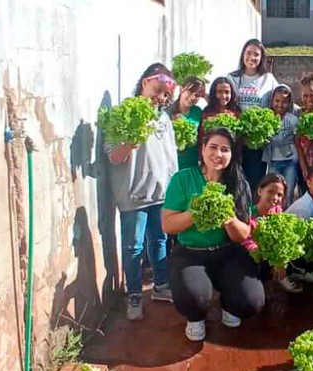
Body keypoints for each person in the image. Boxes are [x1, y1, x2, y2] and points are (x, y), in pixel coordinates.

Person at [162, 127, 265, 342]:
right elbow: (168, 225)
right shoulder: (183, 178)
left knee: (252, 301)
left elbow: (243, 234)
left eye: (225, 150)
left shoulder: (238, 183)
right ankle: (195, 317)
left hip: (227, 251)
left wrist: (229, 219)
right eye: (213, 147)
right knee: (195, 298)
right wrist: (196, 212)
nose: (218, 154)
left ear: (232, 155)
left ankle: (229, 304)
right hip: (190, 252)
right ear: (202, 149)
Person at [106, 63, 178, 320]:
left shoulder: (163, 118)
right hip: (133, 195)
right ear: (145, 82)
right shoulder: (123, 114)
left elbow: (171, 158)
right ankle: (134, 293)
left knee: (159, 241)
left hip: (161, 194)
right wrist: (129, 145)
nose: (161, 97)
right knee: (133, 247)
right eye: (158, 90)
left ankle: (160, 285)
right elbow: (113, 157)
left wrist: (174, 188)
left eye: (166, 94)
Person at [227, 38, 279, 192]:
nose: (251, 57)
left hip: (257, 142)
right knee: (234, 179)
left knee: (255, 180)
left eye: (256, 54)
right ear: (243, 54)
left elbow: (282, 99)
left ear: (261, 57)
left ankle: (251, 213)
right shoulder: (232, 78)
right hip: (236, 139)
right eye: (248, 53)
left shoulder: (268, 79)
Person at [242, 173, 303, 293]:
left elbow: (284, 237)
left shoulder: (277, 211)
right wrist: (274, 260)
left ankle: (281, 277)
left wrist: (281, 260)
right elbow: (248, 244)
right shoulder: (248, 215)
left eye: (280, 195)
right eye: (270, 191)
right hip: (254, 258)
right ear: (260, 191)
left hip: (270, 257)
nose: (275, 198)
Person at [262, 85, 299, 204]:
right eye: (277, 101)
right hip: (273, 161)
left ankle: (287, 218)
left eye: (284, 102)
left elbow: (297, 141)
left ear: (289, 103)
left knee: (287, 194)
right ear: (272, 101)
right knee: (273, 193)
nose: (280, 104)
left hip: (290, 161)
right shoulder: (267, 118)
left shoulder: (293, 119)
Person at [168, 76, 206, 170]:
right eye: (190, 92)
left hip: (192, 165)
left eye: (197, 95)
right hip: (172, 165)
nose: (193, 97)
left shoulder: (198, 112)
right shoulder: (167, 112)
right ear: (181, 89)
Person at [199, 76, 241, 152]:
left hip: (232, 155)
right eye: (219, 92)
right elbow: (202, 137)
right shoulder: (207, 112)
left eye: (227, 92)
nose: (223, 96)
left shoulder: (236, 111)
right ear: (214, 93)